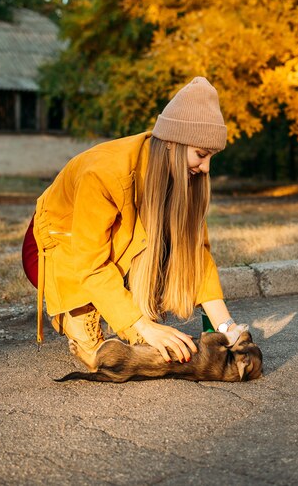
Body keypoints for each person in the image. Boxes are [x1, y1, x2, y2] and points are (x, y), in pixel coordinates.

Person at [22, 76, 240, 370]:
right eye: (201, 155)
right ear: (173, 144)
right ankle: (84, 315)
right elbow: (90, 264)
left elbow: (195, 252)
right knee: (102, 358)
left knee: (140, 307)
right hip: (54, 244)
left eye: (212, 157)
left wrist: (227, 327)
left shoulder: (183, 176)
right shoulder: (105, 172)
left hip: (105, 243)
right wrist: (143, 326)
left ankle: (123, 315)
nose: (206, 167)